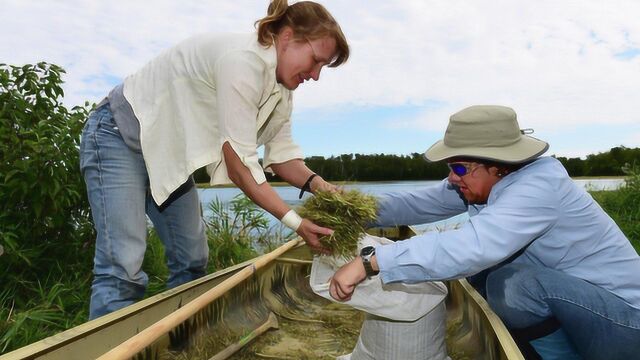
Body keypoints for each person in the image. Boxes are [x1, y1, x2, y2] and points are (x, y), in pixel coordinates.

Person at [80, 0, 349, 320]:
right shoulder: (243, 62)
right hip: (118, 136)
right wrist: (297, 223)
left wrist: (322, 187)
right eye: (316, 61)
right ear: (288, 37)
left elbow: (283, 159)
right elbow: (239, 166)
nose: (316, 75)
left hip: (167, 155)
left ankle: (177, 344)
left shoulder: (281, 88)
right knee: (122, 268)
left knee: (192, 260)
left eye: (323, 67)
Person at [329, 105, 640, 359]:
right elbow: (418, 203)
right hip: (582, 305)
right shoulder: (484, 181)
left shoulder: (538, 186)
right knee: (484, 277)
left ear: (499, 165)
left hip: (626, 323)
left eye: (460, 168)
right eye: (450, 167)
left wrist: (371, 261)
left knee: (514, 284)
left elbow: (472, 246)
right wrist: (354, 210)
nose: (452, 177)